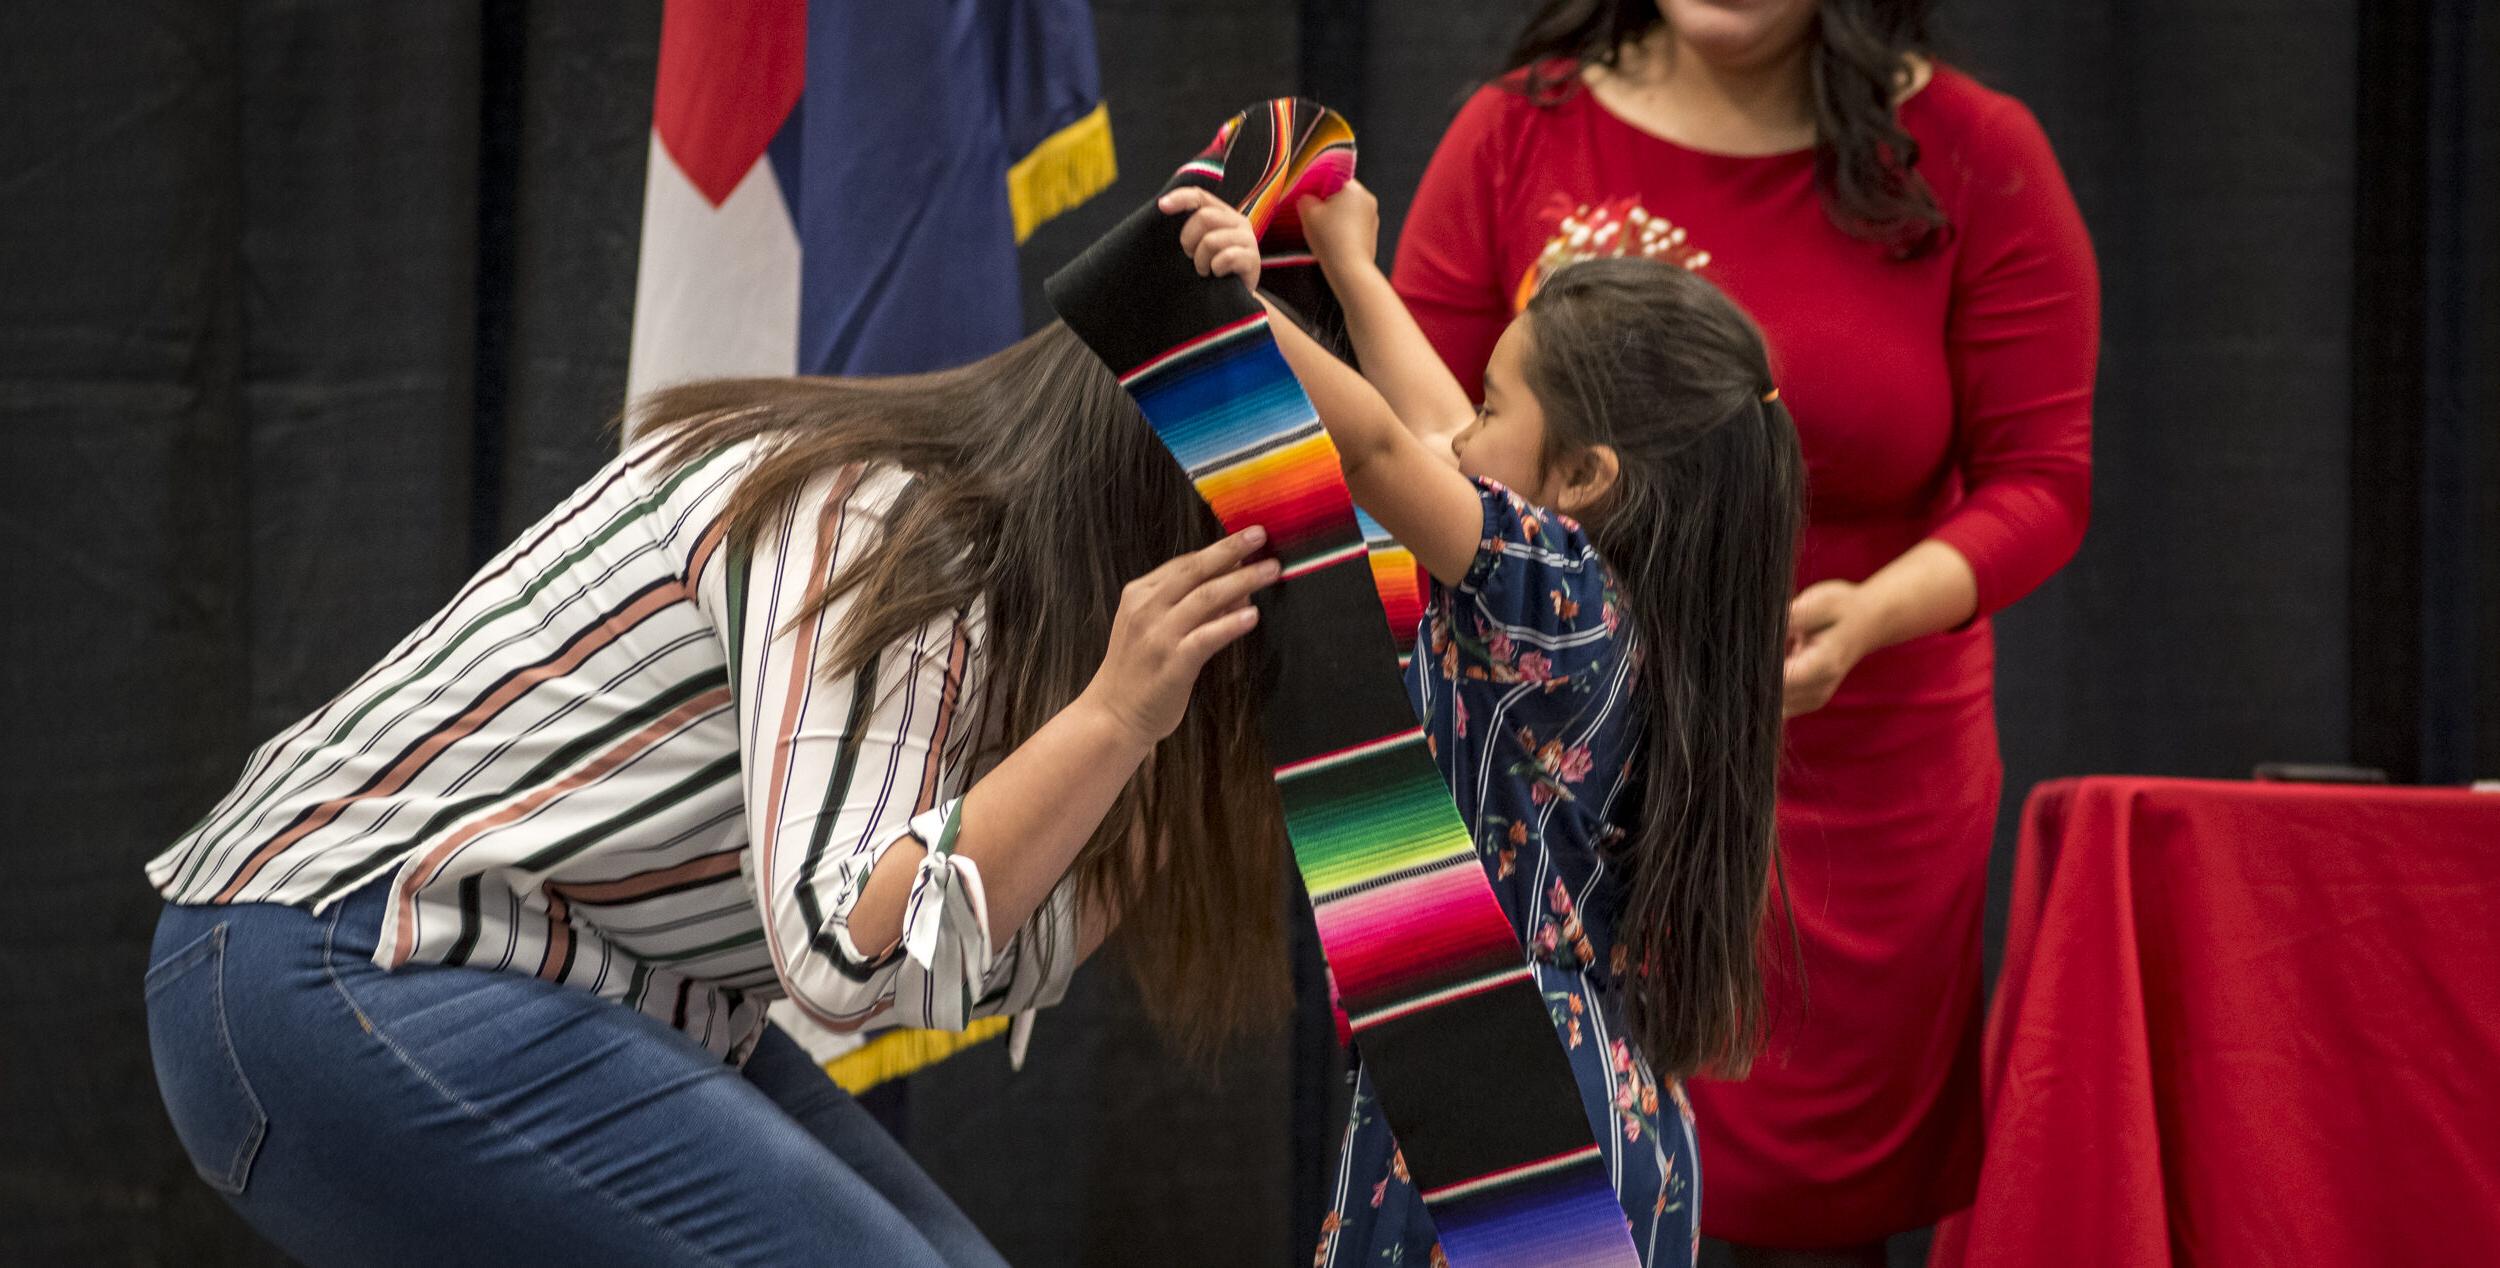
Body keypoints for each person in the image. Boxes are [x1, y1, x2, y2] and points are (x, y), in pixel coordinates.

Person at [139, 324, 1289, 1267]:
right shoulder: (885, 524)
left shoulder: (996, 611)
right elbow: (850, 951)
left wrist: (1155, 751)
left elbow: (978, 950)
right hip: (323, 955)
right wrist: (1113, 720)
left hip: (547, 983)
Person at [1389, 2, 2099, 1263]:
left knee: (1815, 1225)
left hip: (1852, 790)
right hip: (1572, 782)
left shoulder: (1975, 151)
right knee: (1553, 1200)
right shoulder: (1516, 134)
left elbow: (2042, 478)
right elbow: (1419, 441)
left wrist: (1876, 614)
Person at [1162, 176, 1803, 1268]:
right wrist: (1353, 269)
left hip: (1504, 1103)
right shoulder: (1599, 606)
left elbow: (1376, 448)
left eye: (1500, 407)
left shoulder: (1554, 593)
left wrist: (1229, 305)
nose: (1468, 430)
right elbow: (1435, 432)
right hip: (1587, 1097)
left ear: (1588, 476)